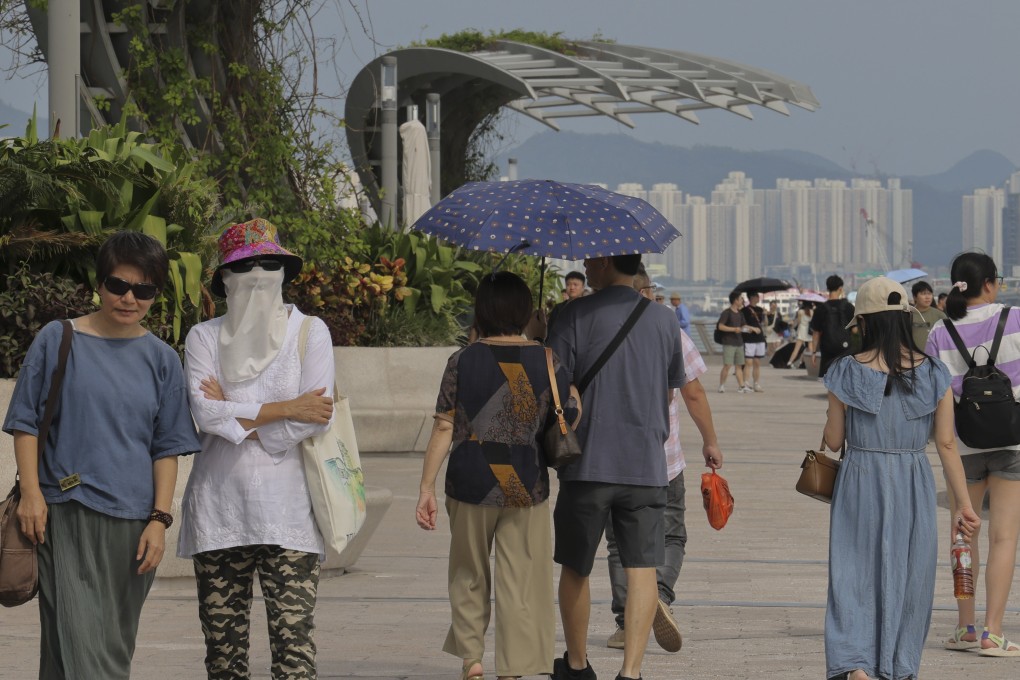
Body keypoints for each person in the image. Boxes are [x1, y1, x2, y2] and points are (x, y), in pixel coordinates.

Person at [3, 231, 200, 679]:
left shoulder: (162, 360)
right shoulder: (58, 339)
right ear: (100, 283)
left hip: (133, 527)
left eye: (144, 290)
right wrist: (32, 494)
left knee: (100, 645)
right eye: (118, 285)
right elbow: (25, 423)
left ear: (155, 294)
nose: (130, 298)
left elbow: (166, 448)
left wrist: (159, 519)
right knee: (85, 649)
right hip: (64, 515)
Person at [177, 219, 335, 678]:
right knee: (223, 656)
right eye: (245, 265)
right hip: (218, 511)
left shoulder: (311, 333)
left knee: (295, 649)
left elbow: (314, 419)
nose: (258, 273)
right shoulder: (203, 337)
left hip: (291, 514)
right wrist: (284, 407)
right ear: (224, 281)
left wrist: (237, 410)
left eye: (269, 264)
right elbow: (207, 416)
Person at [417, 271, 577, 680]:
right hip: (524, 484)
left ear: (482, 310)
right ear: (526, 311)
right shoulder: (548, 359)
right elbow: (565, 415)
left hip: (469, 480)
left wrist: (425, 487)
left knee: (468, 571)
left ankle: (472, 659)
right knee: (522, 580)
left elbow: (443, 426)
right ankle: (514, 668)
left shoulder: (462, 360)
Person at [822, 276, 979, 680]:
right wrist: (963, 505)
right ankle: (897, 664)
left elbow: (834, 439)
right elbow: (946, 446)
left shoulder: (845, 371)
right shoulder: (934, 374)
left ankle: (856, 662)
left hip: (860, 478)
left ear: (865, 323)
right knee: (910, 577)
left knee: (851, 574)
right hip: (912, 479)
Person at [546, 254, 683, 680]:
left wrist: (541, 335)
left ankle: (576, 665)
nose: (585, 265)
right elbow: (669, 390)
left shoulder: (571, 314)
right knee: (641, 570)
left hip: (587, 464)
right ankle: (631, 671)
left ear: (606, 262)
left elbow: (554, 383)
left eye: (591, 259)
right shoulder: (664, 320)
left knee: (576, 566)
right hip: (646, 464)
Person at [605, 269, 723, 653]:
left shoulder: (593, 326)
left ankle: (626, 623)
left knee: (619, 544)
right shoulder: (669, 330)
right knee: (671, 535)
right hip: (663, 457)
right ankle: (659, 598)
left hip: (610, 459)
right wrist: (710, 441)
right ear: (647, 292)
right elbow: (693, 393)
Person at [925, 252, 1020, 657]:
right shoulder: (1016, 319)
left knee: (963, 532)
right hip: (1012, 442)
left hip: (961, 446)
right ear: (991, 283)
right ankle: (993, 632)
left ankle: (965, 626)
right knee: (1003, 537)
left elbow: (932, 393)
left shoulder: (939, 333)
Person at [810, 275, 855, 379]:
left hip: (827, 350)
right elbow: (855, 330)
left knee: (829, 381)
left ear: (827, 288)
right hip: (845, 349)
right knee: (844, 380)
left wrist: (813, 352)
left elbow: (816, 333)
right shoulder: (848, 307)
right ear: (840, 289)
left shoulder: (820, 309)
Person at [717, 291, 749, 392]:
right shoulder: (726, 313)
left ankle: (741, 386)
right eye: (741, 299)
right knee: (727, 365)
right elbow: (720, 326)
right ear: (735, 300)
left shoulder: (740, 313)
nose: (742, 301)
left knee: (739, 365)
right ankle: (721, 385)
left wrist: (751, 328)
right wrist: (734, 329)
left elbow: (743, 325)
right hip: (729, 343)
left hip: (739, 343)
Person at [546, 270, 586, 336]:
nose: (572, 288)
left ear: (583, 287)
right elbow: (550, 329)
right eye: (568, 284)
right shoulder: (558, 308)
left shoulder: (588, 307)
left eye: (575, 285)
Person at [741, 291, 766, 392]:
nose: (758, 297)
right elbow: (742, 325)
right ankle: (746, 383)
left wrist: (765, 315)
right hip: (749, 339)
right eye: (756, 296)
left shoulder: (760, 309)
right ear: (751, 297)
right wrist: (752, 328)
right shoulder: (744, 310)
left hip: (760, 338)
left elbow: (764, 324)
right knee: (748, 362)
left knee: (757, 362)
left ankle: (756, 383)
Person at [910, 280, 946, 351]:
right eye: (923, 294)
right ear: (915, 297)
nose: (927, 297)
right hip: (914, 357)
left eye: (929, 294)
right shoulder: (908, 315)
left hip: (935, 357)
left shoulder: (940, 315)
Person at [785, 301, 815, 368]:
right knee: (811, 349)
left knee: (797, 348)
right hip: (809, 331)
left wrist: (793, 326)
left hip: (801, 330)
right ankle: (812, 363)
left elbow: (798, 322)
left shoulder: (800, 311)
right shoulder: (812, 312)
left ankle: (789, 362)